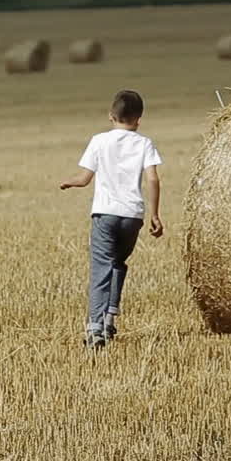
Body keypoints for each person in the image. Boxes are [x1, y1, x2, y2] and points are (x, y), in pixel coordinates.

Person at [59, 89, 164, 349]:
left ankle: (95, 329)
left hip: (105, 213)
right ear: (139, 119)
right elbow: (152, 178)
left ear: (110, 116)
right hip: (132, 216)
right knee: (118, 263)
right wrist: (155, 214)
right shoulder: (144, 143)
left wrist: (69, 182)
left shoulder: (99, 141)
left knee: (101, 269)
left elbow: (84, 179)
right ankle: (109, 317)